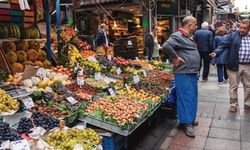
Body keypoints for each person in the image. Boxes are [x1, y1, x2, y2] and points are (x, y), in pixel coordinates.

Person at [162, 16, 200, 138]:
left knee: (192, 96)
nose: (196, 27)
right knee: (185, 97)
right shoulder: (177, 35)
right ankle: (186, 123)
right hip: (183, 72)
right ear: (189, 25)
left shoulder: (187, 36)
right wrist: (176, 57)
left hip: (191, 71)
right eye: (195, 25)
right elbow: (166, 46)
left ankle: (191, 118)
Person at [210, 19, 250, 113]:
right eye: (241, 27)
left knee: (248, 86)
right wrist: (216, 52)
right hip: (234, 65)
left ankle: (247, 103)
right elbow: (223, 45)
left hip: (248, 66)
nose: (242, 30)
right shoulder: (232, 35)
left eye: (245, 28)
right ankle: (233, 104)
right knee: (233, 86)